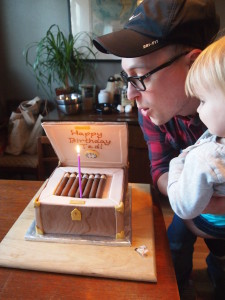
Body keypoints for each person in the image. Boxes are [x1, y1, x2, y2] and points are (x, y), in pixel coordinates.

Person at [93, 0, 225, 298]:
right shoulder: (151, 110)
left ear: (194, 63)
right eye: (127, 78)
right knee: (172, 248)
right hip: (187, 199)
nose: (130, 95)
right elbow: (160, 168)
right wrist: (188, 194)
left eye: (140, 76)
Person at [167, 36, 225, 240]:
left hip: (210, 222)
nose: (198, 109)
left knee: (175, 236)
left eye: (203, 100)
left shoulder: (205, 159)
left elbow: (183, 207)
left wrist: (177, 164)